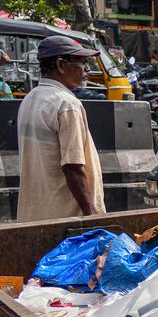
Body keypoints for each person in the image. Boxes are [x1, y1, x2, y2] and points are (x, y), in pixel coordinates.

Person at [16, 35, 105, 221]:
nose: (87, 69)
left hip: (34, 217)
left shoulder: (30, 98)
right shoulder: (67, 104)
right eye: (81, 62)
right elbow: (72, 167)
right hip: (66, 220)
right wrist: (91, 216)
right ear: (61, 65)